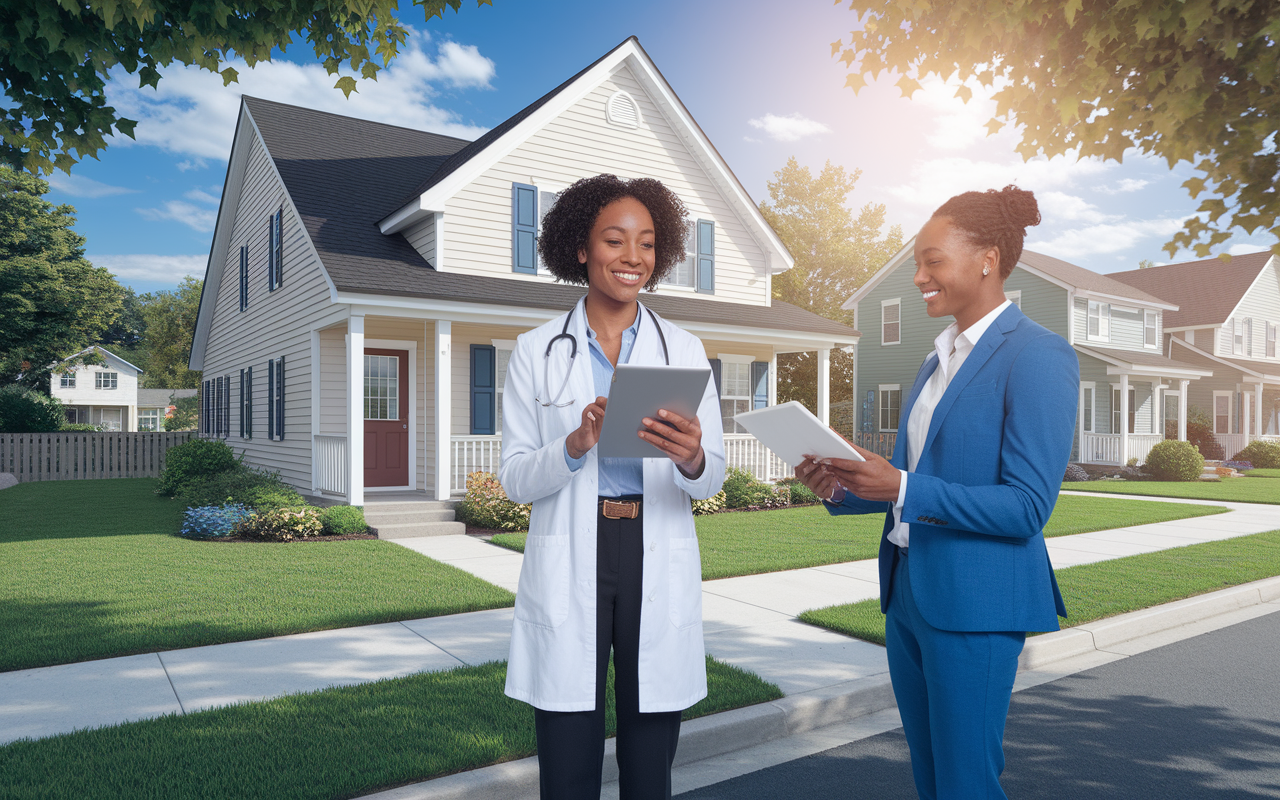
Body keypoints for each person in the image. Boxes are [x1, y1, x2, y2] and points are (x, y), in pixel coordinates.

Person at [794, 185, 1077, 800]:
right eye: (915, 264)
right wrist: (843, 486)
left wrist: (901, 483)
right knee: (932, 780)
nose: (919, 276)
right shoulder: (937, 358)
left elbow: (1028, 507)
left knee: (967, 784)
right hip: (910, 595)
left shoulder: (1038, 356)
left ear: (988, 259)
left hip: (977, 601)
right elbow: (910, 480)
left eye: (932, 261)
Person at [499, 174, 726, 800]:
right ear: (580, 247)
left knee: (650, 754)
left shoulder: (681, 348)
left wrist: (692, 456)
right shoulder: (537, 351)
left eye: (648, 244)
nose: (633, 259)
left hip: (654, 544)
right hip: (576, 545)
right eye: (615, 240)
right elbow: (516, 476)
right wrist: (573, 446)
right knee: (569, 750)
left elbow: (715, 475)